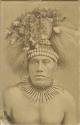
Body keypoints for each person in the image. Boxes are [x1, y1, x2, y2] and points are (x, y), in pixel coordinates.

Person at [2, 8, 77, 125]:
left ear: (56, 67)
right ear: (27, 66)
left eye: (46, 62)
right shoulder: (10, 96)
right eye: (35, 62)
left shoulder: (67, 100)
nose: (40, 68)